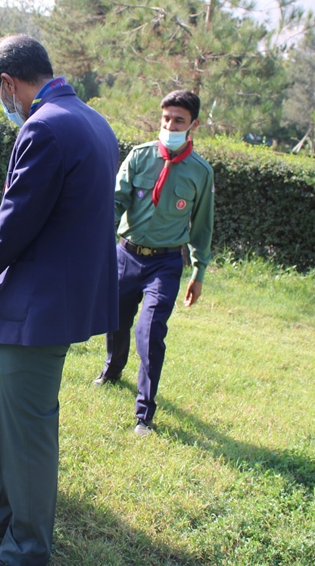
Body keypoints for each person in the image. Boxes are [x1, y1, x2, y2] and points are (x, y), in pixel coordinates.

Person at [0, 35, 119, 566]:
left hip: (41, 304)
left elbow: (13, 227)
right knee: (14, 415)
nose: (0, 101)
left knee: (31, 427)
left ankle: (27, 549)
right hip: (63, 296)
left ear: (8, 83)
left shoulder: (43, 127)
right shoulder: (93, 120)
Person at [93, 90, 214, 437]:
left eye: (178, 120)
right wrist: (100, 240)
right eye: (166, 119)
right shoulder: (140, 156)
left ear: (193, 124)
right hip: (126, 254)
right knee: (115, 318)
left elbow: (202, 225)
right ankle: (112, 369)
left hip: (165, 263)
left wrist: (199, 270)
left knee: (150, 332)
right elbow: (115, 202)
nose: (170, 125)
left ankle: (144, 412)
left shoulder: (200, 172)